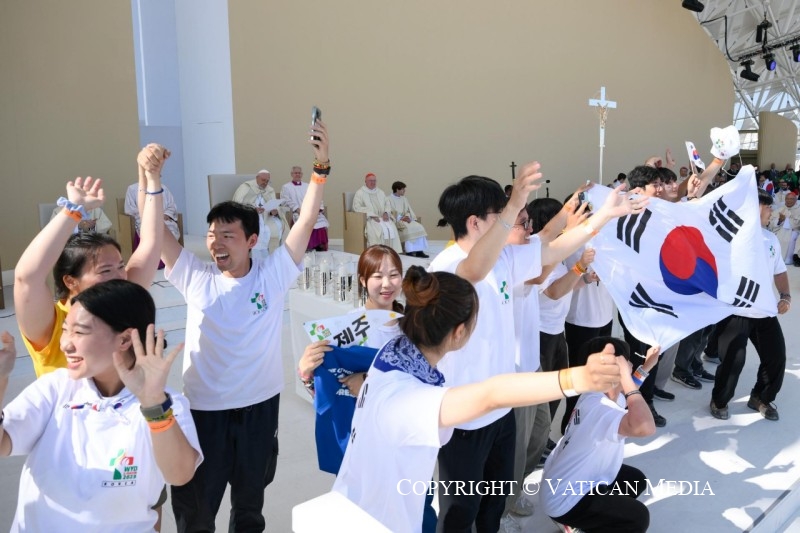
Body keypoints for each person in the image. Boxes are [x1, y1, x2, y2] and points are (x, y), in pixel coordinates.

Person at [429, 165, 646, 531]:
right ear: (475, 223)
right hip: (464, 415)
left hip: (500, 410)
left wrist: (605, 215)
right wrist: (515, 202)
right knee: (460, 509)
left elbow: (550, 249)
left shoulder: (502, 260)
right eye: (500, 215)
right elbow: (473, 272)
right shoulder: (447, 267)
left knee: (495, 499)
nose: (511, 222)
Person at [332, 266, 625, 533]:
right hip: (376, 521)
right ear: (459, 333)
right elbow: (491, 395)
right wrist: (578, 379)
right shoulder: (411, 399)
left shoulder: (395, 350)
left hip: (353, 504)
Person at [165, 119, 330, 531]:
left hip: (259, 408)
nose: (216, 243)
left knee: (250, 507)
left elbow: (305, 222)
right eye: (211, 235)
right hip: (205, 411)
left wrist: (320, 168)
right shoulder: (195, 276)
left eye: (227, 236)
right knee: (197, 509)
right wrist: (150, 182)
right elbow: (155, 238)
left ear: (252, 241)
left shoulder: (271, 276)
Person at [0, 280, 202, 531]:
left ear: (124, 339)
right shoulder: (56, 387)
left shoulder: (166, 403)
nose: (65, 344)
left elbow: (179, 474)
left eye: (79, 332)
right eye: (65, 330)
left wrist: (153, 404)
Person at [14, 145, 166, 377]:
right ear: (70, 281)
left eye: (120, 266)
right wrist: (73, 211)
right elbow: (27, 278)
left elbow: (151, 243)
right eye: (105, 270)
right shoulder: (54, 326)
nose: (119, 275)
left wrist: (152, 178)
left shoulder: (123, 301)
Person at [542, 337, 659, 533]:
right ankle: (574, 521)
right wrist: (626, 380)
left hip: (561, 484)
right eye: (625, 363)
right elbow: (645, 426)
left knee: (634, 481)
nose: (630, 365)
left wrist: (647, 366)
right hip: (563, 500)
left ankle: (587, 522)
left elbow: (625, 395)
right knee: (637, 518)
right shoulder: (600, 409)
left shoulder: (597, 394)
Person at [709, 189, 790, 421]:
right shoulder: (730, 237)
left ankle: (761, 398)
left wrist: (785, 295)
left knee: (776, 357)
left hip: (765, 311)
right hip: (736, 311)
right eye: (768, 207)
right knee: (733, 360)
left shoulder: (770, 239)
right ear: (755, 208)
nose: (771, 211)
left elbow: (779, 270)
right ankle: (719, 401)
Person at [232, 169, 285, 254]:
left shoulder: (270, 190)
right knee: (259, 229)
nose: (265, 183)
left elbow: (274, 205)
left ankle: (271, 254)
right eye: (263, 180)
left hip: (267, 216)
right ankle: (255, 254)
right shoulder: (246, 187)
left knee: (278, 226)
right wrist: (252, 210)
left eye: (267, 181)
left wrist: (274, 212)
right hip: (250, 215)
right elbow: (237, 205)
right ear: (257, 178)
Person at [280, 165, 329, 251]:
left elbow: (316, 196)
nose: (297, 175)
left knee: (320, 221)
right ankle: (306, 246)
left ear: (302, 174)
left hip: (310, 211)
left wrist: (318, 208)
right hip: (297, 212)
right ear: (292, 174)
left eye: (299, 173)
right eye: (295, 173)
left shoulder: (308, 185)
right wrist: (297, 208)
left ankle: (319, 245)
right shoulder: (286, 187)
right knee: (304, 221)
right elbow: (285, 200)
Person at [352, 172, 402, 253]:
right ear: (365, 181)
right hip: (370, 218)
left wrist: (386, 213)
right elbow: (357, 207)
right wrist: (372, 215)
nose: (373, 182)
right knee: (378, 229)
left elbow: (387, 203)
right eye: (370, 181)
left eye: (374, 180)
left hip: (383, 217)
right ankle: (378, 252)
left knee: (392, 227)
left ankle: (392, 252)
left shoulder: (380, 192)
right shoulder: (360, 193)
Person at [386, 180, 429, 258]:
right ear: (397, 189)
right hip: (397, 221)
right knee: (409, 229)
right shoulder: (388, 199)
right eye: (403, 189)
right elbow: (389, 212)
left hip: (406, 219)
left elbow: (408, 210)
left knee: (419, 226)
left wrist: (408, 217)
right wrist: (400, 218)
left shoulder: (404, 199)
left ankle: (419, 251)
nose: (404, 190)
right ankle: (410, 251)